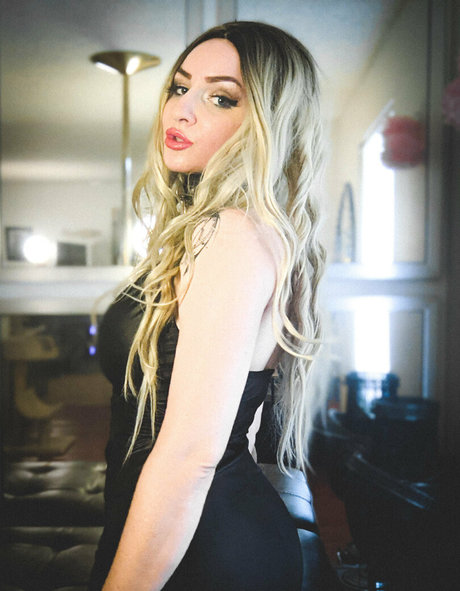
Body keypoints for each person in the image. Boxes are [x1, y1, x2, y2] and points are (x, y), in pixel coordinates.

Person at [89, 20, 325, 591]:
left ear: (267, 123)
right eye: (180, 87)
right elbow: (239, 412)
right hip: (184, 531)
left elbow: (191, 457)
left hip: (202, 548)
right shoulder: (236, 230)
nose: (182, 110)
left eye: (221, 98)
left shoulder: (231, 233)